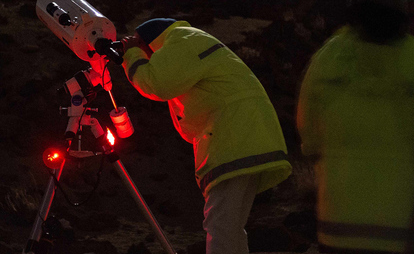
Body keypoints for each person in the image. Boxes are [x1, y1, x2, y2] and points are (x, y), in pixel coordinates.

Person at [120, 18, 292, 254]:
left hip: (233, 138)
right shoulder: (191, 40)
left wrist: (131, 56)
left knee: (221, 226)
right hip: (244, 135)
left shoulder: (182, 41)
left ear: (150, 43)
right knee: (229, 227)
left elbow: (157, 84)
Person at [297, 0, 414, 253]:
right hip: (393, 210)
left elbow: (309, 111)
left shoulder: (331, 55)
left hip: (339, 203)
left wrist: (314, 151)